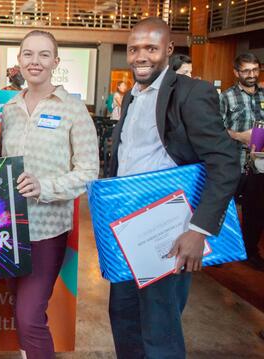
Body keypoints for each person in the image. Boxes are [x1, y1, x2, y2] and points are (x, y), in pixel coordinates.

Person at [107, 18, 240, 358]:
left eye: (151, 48)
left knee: (159, 328)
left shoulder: (192, 93)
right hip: (126, 227)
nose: (141, 56)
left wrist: (199, 230)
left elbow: (225, 162)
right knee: (124, 318)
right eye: (134, 48)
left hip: (168, 229)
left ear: (168, 50)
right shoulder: (132, 97)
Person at [0, 30, 99, 359]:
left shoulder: (73, 110)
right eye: (28, 54)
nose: (35, 61)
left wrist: (46, 187)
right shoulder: (10, 109)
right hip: (9, 230)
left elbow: (88, 172)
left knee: (28, 318)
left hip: (46, 230)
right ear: (19, 61)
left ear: (56, 62)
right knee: (22, 316)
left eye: (44, 55)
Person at [219, 53, 264, 270]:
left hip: (259, 165)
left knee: (256, 211)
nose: (251, 75)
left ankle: (250, 251)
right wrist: (239, 136)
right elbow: (215, 129)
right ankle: (219, 251)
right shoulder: (227, 97)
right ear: (236, 72)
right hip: (233, 162)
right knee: (223, 209)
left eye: (255, 70)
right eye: (246, 70)